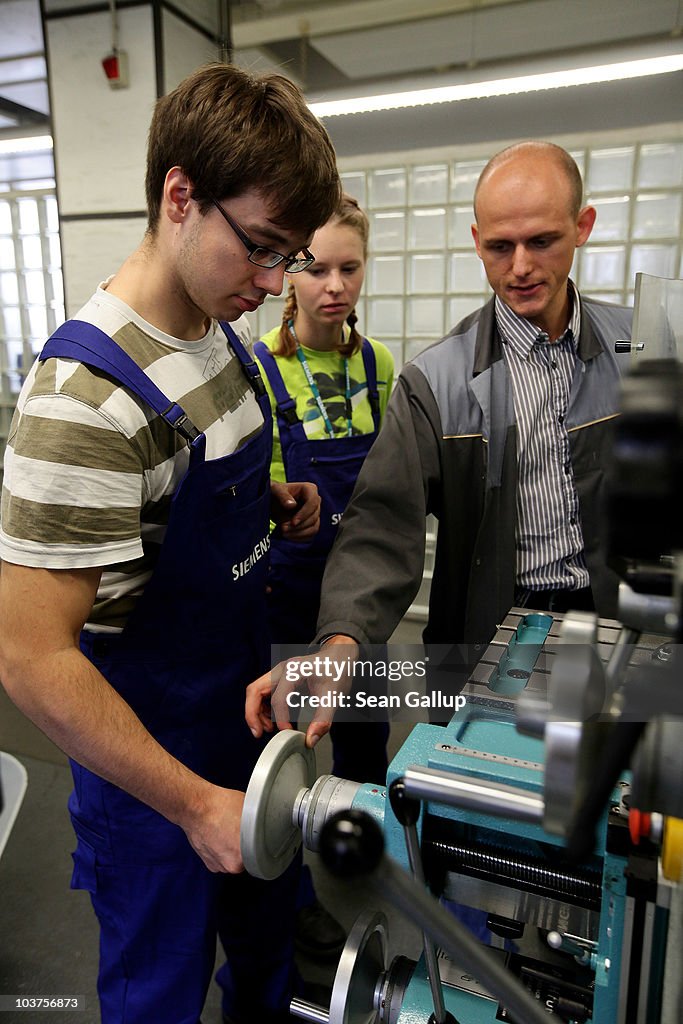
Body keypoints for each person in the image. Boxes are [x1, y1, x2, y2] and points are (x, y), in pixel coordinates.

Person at [0, 63, 341, 1024]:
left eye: (293, 256)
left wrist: (267, 499)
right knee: (158, 997)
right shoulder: (84, 403)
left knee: (271, 967)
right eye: (264, 250)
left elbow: (171, 507)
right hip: (151, 780)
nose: (278, 284)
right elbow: (27, 658)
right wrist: (193, 805)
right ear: (179, 195)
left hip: (245, 730)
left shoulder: (217, 330)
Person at [245, 139, 634, 743]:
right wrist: (343, 639)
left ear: (581, 227)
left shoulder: (642, 353)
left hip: (619, 630)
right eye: (501, 247)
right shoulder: (438, 382)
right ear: (477, 241)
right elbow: (380, 524)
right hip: (491, 636)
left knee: (625, 807)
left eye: (543, 242)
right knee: (485, 804)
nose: (522, 267)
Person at [254, 194, 394, 959]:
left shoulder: (378, 366)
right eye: (315, 268)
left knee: (366, 733)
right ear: (290, 275)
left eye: (349, 267)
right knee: (286, 745)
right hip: (287, 587)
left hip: (358, 594)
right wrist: (280, 514)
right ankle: (295, 896)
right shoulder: (261, 370)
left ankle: (359, 848)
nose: (333, 284)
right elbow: (249, 495)